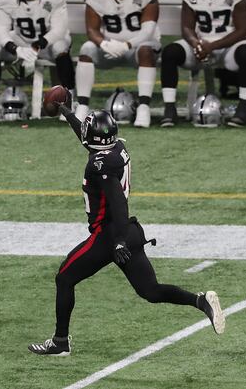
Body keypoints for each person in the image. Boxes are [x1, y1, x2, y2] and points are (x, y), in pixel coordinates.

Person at [28, 104, 225, 356]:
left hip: (111, 234)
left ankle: (60, 342)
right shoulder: (116, 147)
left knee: (64, 278)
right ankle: (200, 300)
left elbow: (118, 202)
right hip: (130, 231)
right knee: (150, 291)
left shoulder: (100, 164)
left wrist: (118, 241)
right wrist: (68, 114)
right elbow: (89, 139)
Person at [159, 0, 246, 128]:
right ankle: (169, 109)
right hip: (201, 45)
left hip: (230, 46)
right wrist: (196, 44)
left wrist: (212, 46)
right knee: (170, 52)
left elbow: (242, 31)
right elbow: (187, 27)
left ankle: (243, 108)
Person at [74, 0, 160, 127]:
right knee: (86, 49)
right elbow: (92, 29)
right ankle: (82, 106)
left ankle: (143, 107)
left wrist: (127, 44)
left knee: (145, 51)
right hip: (110, 46)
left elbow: (148, 30)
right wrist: (105, 44)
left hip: (138, 46)